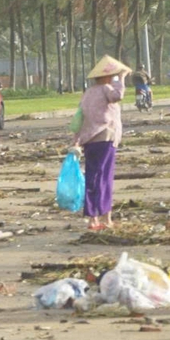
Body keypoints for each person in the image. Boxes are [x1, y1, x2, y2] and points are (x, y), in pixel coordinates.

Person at [76, 56, 128, 232]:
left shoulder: (88, 93)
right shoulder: (106, 89)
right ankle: (106, 217)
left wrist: (76, 140)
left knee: (92, 178)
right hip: (105, 138)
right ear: (107, 77)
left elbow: (80, 117)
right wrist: (121, 79)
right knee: (105, 178)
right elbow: (118, 96)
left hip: (89, 140)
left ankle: (93, 218)